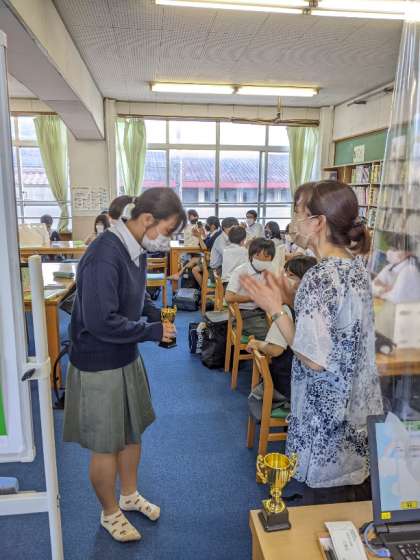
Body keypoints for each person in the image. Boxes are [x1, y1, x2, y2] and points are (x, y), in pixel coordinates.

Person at [240, 180, 383, 501]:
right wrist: (291, 301)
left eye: (297, 212)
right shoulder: (356, 268)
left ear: (317, 222)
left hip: (326, 418)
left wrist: (276, 309)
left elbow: (312, 357)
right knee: (349, 501)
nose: (293, 221)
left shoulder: (319, 277)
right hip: (354, 411)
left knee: (325, 506)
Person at [63, 188, 186, 542]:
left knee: (131, 432)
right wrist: (150, 331)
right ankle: (109, 513)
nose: (168, 240)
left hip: (124, 354)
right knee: (106, 444)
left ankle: (129, 495)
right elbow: (101, 321)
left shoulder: (136, 248)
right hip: (98, 361)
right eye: (168, 230)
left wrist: (154, 315)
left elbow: (134, 297)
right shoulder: (105, 254)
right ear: (147, 219)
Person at [247, 255, 317, 401]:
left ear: (304, 282)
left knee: (255, 395)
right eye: (284, 274)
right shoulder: (315, 309)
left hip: (288, 386)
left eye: (290, 276)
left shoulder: (285, 312)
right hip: (309, 384)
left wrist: (256, 344)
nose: (283, 280)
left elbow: (275, 350)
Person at [225, 238, 275, 340]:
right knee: (271, 337)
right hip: (243, 313)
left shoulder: (269, 271)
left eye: (267, 257)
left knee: (285, 329)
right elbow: (228, 297)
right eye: (259, 256)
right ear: (251, 255)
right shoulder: (241, 271)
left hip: (262, 310)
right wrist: (253, 297)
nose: (263, 260)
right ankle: (258, 347)